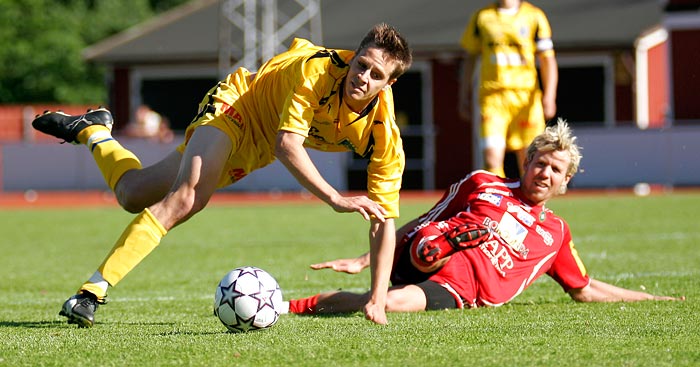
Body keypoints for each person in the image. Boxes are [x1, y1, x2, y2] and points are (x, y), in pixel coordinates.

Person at [32, 23, 412, 327]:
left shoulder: (384, 135)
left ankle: (93, 131)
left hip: (255, 149)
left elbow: (383, 220)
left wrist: (378, 298)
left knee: (132, 193)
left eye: (375, 74)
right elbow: (288, 145)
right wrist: (336, 198)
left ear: (389, 84)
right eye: (361, 63)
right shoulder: (319, 71)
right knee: (187, 198)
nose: (362, 76)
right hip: (238, 104)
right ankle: (91, 293)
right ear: (355, 56)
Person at [285, 120, 684, 316]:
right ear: (525, 163)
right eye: (540, 163)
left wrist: (653, 299)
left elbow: (584, 288)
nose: (544, 173)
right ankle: (437, 247)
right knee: (432, 235)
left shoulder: (555, 234)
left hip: (461, 287)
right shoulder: (483, 183)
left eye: (555, 170)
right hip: (422, 249)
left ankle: (296, 307)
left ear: (565, 183)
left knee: (390, 302)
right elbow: (422, 217)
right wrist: (364, 259)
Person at [459, 0, 558, 177]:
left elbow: (547, 60)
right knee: (491, 158)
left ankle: (528, 205)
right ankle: (498, 203)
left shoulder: (534, 16)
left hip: (526, 98)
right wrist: (463, 94)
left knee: (530, 160)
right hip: (493, 98)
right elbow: (470, 58)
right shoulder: (482, 18)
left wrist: (549, 96)